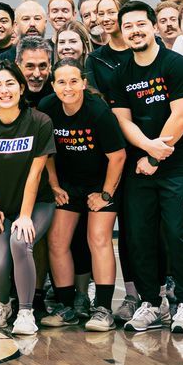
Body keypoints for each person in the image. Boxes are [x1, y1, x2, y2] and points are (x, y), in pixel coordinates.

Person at [108, 2, 183, 334]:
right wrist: (148, 150)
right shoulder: (121, 72)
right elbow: (123, 121)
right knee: (140, 236)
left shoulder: (175, 64)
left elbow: (181, 114)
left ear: (154, 27)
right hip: (140, 168)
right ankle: (150, 302)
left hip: (177, 167)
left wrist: (154, 157)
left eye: (140, 24)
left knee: (179, 235)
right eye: (128, 26)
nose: (134, 31)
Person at [0, 63, 56, 335]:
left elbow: (36, 174)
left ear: (21, 88)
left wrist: (25, 215)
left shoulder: (40, 121)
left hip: (36, 204)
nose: (4, 90)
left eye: (10, 84)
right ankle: (3, 303)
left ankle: (25, 312)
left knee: (20, 242)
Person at [41, 60, 125, 331]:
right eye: (61, 82)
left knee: (98, 238)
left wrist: (105, 194)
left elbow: (118, 157)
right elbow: (45, 153)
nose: (68, 88)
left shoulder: (98, 112)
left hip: (101, 183)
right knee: (56, 240)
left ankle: (103, 309)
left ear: (84, 83)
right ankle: (66, 307)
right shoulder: (47, 108)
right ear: (53, 85)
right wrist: (55, 185)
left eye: (74, 81)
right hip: (68, 184)